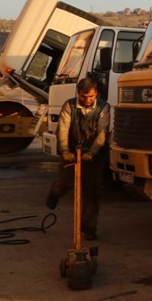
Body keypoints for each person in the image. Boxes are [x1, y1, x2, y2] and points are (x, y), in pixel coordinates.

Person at [45, 77, 110, 240]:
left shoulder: (104, 107)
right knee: (65, 183)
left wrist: (93, 152)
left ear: (96, 94)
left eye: (91, 97)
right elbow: (63, 129)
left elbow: (102, 134)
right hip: (72, 150)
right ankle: (55, 192)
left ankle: (88, 229)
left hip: (94, 155)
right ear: (78, 94)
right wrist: (65, 150)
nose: (87, 100)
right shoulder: (69, 105)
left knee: (92, 193)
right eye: (83, 97)